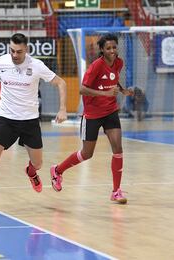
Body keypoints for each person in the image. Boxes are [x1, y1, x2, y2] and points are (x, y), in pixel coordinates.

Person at [0, 33, 67, 216]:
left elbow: (61, 82)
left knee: (38, 163)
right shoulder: (2, 61)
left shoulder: (36, 66)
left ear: (26, 49)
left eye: (18, 51)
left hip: (30, 121)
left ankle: (31, 172)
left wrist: (63, 108)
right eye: (12, 50)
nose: (14, 55)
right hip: (6, 119)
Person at [49, 33, 134, 204]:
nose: (112, 50)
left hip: (110, 111)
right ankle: (57, 170)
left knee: (118, 148)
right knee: (87, 154)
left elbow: (113, 81)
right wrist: (105, 93)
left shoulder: (119, 63)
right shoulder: (96, 66)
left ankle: (116, 191)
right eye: (108, 48)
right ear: (102, 50)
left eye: (114, 47)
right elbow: (82, 89)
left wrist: (123, 90)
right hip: (92, 114)